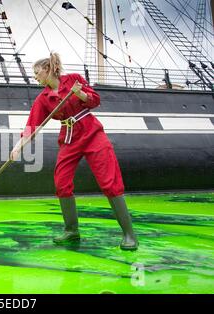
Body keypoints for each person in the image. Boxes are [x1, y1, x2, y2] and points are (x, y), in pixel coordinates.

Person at [10, 53, 138, 251]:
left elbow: (95, 100)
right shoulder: (43, 98)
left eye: (37, 73)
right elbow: (32, 125)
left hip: (92, 133)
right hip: (69, 139)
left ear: (47, 70)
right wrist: (19, 146)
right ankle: (71, 231)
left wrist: (80, 94)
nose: (35, 77)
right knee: (61, 181)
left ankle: (129, 234)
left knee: (109, 181)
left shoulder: (74, 79)